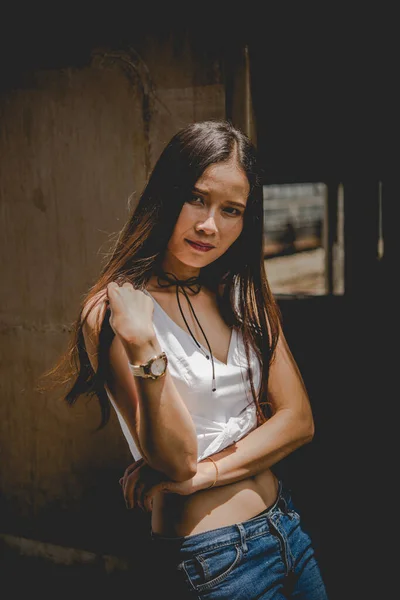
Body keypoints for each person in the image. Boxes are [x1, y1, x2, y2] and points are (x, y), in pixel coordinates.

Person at [54, 120, 329, 598]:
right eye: (197, 198)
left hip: (287, 531)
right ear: (167, 195)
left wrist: (208, 473)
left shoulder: (240, 293)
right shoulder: (116, 311)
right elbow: (176, 460)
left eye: (231, 210)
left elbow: (299, 420)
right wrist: (143, 346)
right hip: (215, 561)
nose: (210, 225)